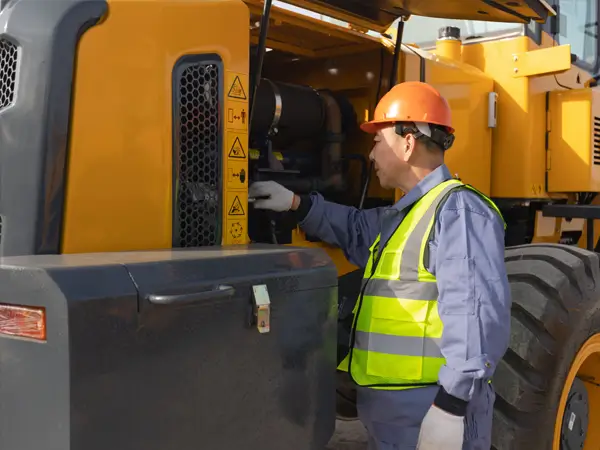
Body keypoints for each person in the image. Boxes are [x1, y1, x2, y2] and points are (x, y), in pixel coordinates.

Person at [248, 81, 511, 450]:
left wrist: (450, 408)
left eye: (377, 141)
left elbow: (475, 316)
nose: (371, 154)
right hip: (394, 416)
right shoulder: (406, 214)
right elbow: (356, 229)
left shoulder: (458, 213)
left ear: (407, 144)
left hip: (429, 411)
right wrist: (295, 203)